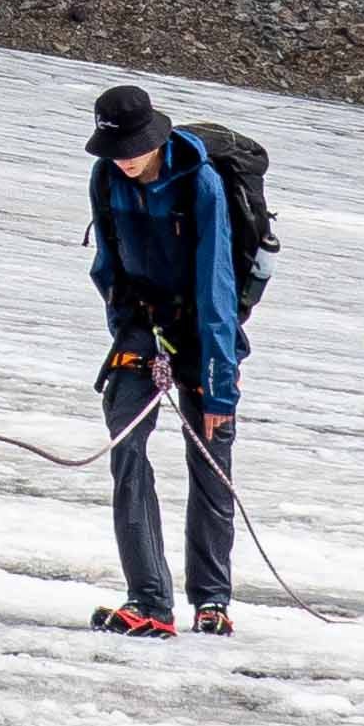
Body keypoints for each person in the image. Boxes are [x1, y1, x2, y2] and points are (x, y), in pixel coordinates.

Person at [78, 85, 253, 635]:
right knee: (126, 447)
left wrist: (218, 385)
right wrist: (130, 332)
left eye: (134, 146)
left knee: (209, 459)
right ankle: (150, 600)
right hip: (141, 327)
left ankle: (212, 601)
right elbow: (109, 267)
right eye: (116, 148)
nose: (125, 158)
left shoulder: (199, 183)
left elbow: (217, 286)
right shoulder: (107, 177)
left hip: (203, 335)